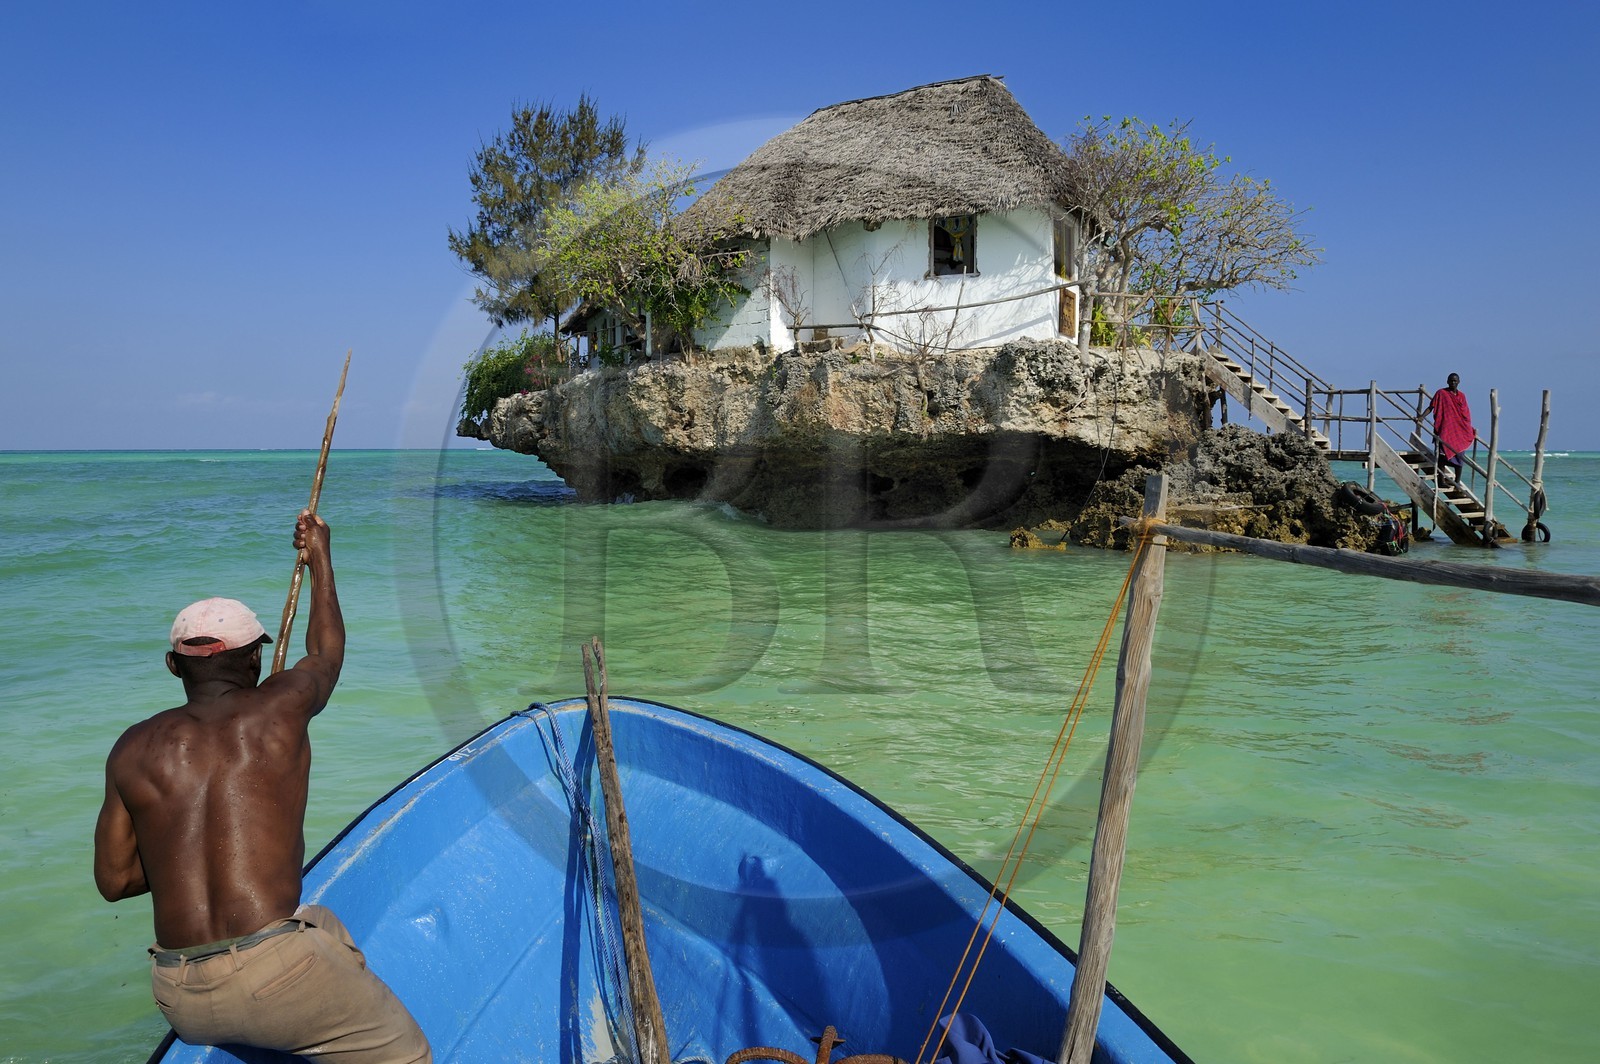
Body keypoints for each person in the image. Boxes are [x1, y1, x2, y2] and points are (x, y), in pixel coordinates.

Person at [94, 511, 430, 1063]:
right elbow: (325, 655)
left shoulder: (131, 747)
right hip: (272, 975)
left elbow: (114, 881)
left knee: (326, 927)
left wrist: (186, 855)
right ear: (255, 657)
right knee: (411, 1054)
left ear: (173, 666)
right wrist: (320, 556)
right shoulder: (281, 708)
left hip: (178, 994)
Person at [1429, 372, 1475, 485]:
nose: (1453, 383)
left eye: (1455, 381)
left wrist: (1468, 428)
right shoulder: (1441, 393)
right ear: (1447, 381)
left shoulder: (1461, 396)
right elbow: (1431, 407)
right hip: (1445, 430)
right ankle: (1441, 481)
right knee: (1441, 457)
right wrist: (1421, 417)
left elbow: (1465, 413)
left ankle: (1457, 482)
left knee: (1459, 456)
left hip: (1459, 431)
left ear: (1458, 382)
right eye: (1451, 380)